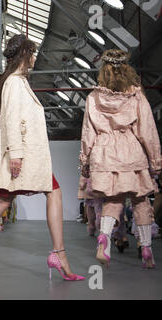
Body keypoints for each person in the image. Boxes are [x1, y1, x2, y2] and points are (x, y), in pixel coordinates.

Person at [0, 34, 84, 281]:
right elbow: (12, 119)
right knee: (52, 191)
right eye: (32, 52)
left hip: (20, 153)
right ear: (24, 54)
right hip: (22, 153)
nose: (34, 57)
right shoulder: (13, 82)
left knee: (2, 201)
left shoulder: (17, 81)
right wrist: (17, 156)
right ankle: (59, 253)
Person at [80, 49, 161, 269]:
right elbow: (148, 131)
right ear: (126, 69)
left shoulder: (93, 98)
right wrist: (155, 162)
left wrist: (85, 163)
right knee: (140, 201)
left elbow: (88, 133)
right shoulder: (136, 96)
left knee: (112, 200)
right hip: (132, 154)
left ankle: (104, 238)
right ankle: (145, 248)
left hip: (104, 154)